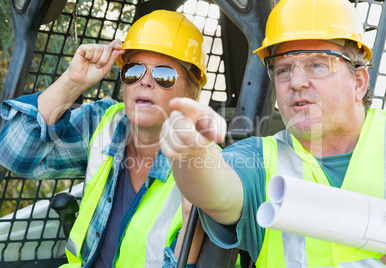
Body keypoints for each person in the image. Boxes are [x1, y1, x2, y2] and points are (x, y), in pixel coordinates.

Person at [160, 0, 386, 267]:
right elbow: (218, 191)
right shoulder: (260, 158)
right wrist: (194, 153)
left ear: (358, 83)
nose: (296, 81)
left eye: (317, 65)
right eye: (283, 69)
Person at [0, 9, 206, 268]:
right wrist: (71, 83)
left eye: (164, 76)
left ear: (191, 92)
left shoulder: (204, 165)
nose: (145, 82)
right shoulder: (104, 123)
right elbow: (13, 154)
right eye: (133, 71)